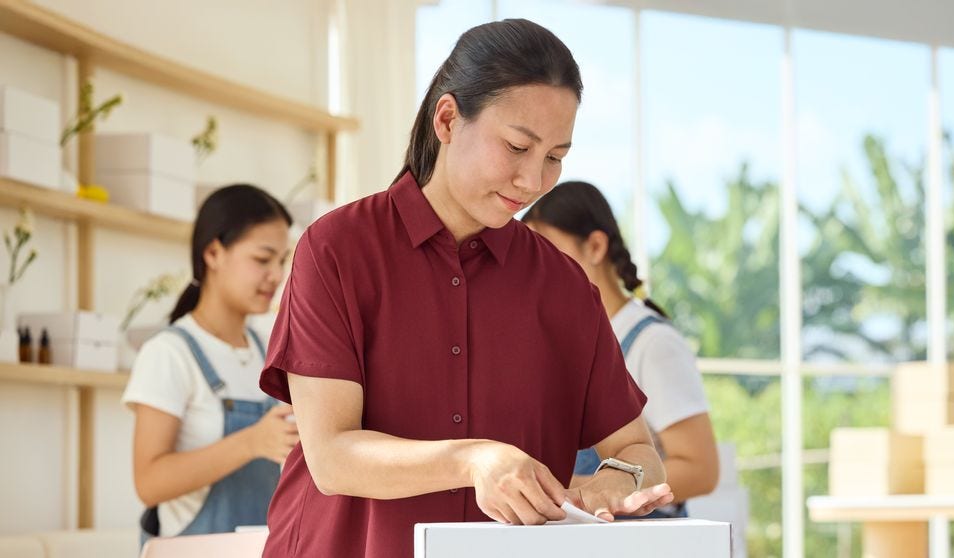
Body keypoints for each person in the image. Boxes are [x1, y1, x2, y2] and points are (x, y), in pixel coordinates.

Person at [259, 18, 674, 558]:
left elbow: (639, 450)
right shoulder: (337, 250)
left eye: (555, 158)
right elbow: (332, 457)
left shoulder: (565, 286)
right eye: (517, 147)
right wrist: (472, 459)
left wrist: (614, 483)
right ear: (448, 119)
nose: (533, 182)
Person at [522, 180, 719, 517]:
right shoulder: (564, 343)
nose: (537, 271)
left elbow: (701, 469)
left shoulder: (654, 344)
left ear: (596, 246)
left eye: (549, 252)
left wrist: (588, 488)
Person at [121, 185, 298, 546]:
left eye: (282, 260)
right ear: (214, 253)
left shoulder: (270, 351)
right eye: (263, 260)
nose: (278, 275)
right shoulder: (169, 353)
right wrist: (252, 442)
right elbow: (149, 482)